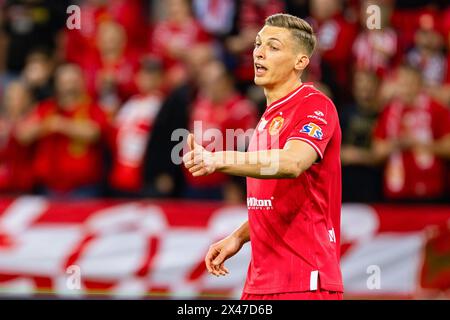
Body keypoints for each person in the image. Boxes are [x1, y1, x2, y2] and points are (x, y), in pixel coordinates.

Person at [183, 13, 343, 300]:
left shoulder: (315, 105)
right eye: (258, 44)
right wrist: (240, 237)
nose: (259, 51)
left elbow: (292, 163)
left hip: (304, 279)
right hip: (261, 279)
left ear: (300, 62)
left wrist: (217, 159)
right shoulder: (268, 117)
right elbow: (279, 199)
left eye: (273, 46)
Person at [16, 64, 111, 199]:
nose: (69, 86)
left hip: (83, 189)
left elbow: (94, 133)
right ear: (57, 84)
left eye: (73, 81)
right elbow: (23, 135)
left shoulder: (93, 108)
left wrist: (62, 125)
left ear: (82, 82)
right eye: (65, 81)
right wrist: (45, 126)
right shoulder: (46, 108)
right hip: (47, 187)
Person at [373, 64, 450, 202]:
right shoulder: (389, 111)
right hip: (396, 191)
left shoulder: (436, 108)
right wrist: (396, 145)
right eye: (402, 83)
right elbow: (377, 150)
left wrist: (419, 144)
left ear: (420, 84)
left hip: (431, 191)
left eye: (410, 83)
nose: (405, 89)